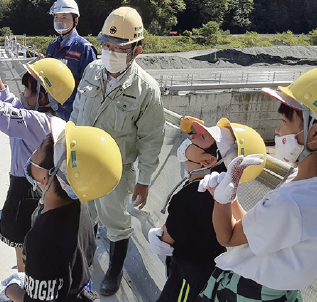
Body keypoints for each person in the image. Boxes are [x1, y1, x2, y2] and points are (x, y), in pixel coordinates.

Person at [195, 68, 317, 302]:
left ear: (314, 133)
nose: (278, 131)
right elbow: (250, 230)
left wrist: (220, 200)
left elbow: (228, 237)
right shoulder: (304, 188)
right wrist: (232, 197)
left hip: (251, 293)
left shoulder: (290, 202)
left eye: (284, 121)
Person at [70, 6, 165, 296]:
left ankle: (114, 269)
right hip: (83, 163)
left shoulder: (146, 89)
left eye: (119, 47)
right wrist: (66, 151)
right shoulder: (91, 71)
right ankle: (81, 261)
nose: (110, 52)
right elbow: (76, 113)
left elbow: (151, 138)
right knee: (83, 214)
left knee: (115, 222)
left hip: (117, 170)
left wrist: (145, 180)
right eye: (106, 45)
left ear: (136, 50)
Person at [0, 49, 75, 272]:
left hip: (26, 192)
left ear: (43, 95)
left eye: (29, 88)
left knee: (25, 250)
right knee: (29, 247)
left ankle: (24, 283)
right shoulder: (48, 118)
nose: (24, 92)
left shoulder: (38, 122)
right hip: (33, 188)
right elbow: (11, 105)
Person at [0, 117, 123, 302]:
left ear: (45, 176)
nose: (33, 152)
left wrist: (10, 290)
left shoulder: (40, 238)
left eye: (38, 149)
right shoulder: (81, 208)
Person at [147, 117, 266, 302]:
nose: (192, 137)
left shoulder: (192, 194)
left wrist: (157, 235)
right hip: (209, 277)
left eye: (201, 138)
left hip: (187, 279)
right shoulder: (220, 193)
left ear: (208, 160)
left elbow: (168, 238)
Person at [46, 0, 97, 121]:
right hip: (52, 110)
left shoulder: (85, 49)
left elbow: (92, 88)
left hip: (74, 113)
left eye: (64, 17)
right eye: (56, 17)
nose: (59, 21)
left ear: (76, 21)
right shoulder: (52, 46)